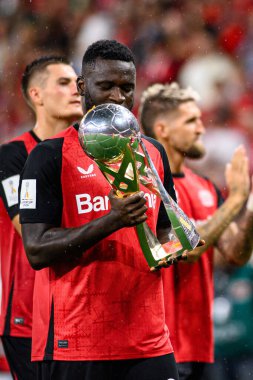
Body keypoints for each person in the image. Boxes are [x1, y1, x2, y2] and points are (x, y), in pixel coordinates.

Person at [18, 40, 180, 380]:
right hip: (78, 346)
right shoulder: (48, 156)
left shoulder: (153, 152)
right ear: (82, 87)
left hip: (151, 344)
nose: (119, 98)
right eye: (106, 86)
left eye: (127, 88)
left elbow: (165, 226)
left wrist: (171, 246)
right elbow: (36, 250)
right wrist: (112, 220)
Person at [139, 82, 253, 380]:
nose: (201, 128)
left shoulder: (204, 187)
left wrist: (250, 208)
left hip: (200, 343)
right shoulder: (146, 185)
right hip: (158, 346)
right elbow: (185, 251)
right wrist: (236, 201)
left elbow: (234, 255)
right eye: (191, 120)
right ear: (162, 129)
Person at [0, 56, 83, 379]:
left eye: (77, 83)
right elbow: (29, 229)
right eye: (63, 83)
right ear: (36, 95)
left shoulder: (88, 154)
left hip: (77, 310)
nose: (76, 90)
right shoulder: (13, 156)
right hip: (27, 316)